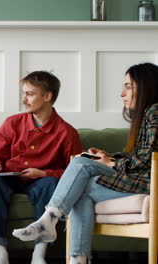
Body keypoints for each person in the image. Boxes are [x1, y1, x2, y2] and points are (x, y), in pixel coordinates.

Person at [12, 63, 158, 264]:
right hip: (142, 177)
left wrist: (112, 164)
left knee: (80, 167)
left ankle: (53, 225)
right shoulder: (148, 114)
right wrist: (110, 158)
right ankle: (75, 257)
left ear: (146, 86)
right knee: (81, 175)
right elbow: (141, 156)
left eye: (128, 86)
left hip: (150, 182)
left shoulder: (154, 112)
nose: (121, 93)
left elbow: (146, 161)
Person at [0, 71, 83, 264]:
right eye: (23, 93)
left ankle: (39, 253)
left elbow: (74, 174)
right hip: (8, 178)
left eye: (30, 94)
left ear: (47, 96)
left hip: (41, 181)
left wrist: (44, 173)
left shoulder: (67, 133)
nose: (24, 99)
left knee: (51, 184)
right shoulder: (12, 123)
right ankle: (0, 253)